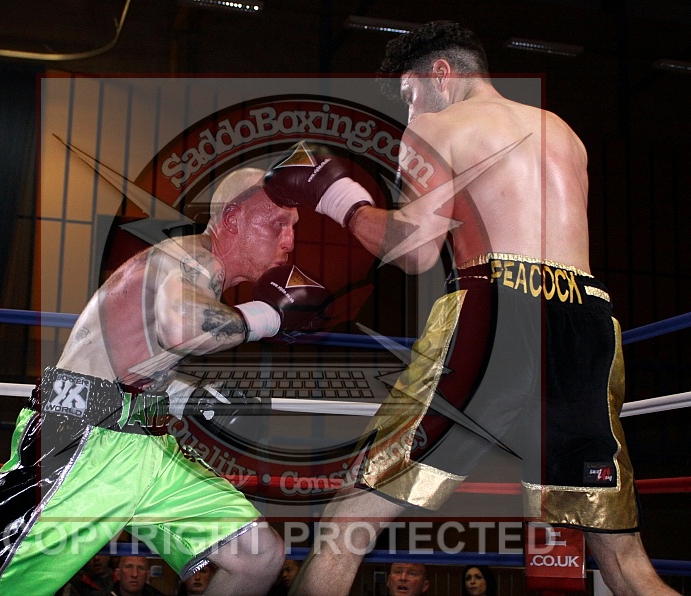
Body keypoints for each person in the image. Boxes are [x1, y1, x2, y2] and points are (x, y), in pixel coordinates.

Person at [260, 20, 677, 596]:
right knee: (625, 560)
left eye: (409, 95)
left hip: (495, 308)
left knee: (347, 522)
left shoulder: (437, 124)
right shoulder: (563, 132)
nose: (409, 111)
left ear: (440, 74)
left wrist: (337, 198)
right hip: (587, 319)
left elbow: (414, 249)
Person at [0, 167, 331, 596]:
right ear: (233, 219)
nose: (289, 241)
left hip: (148, 444)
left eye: (294, 226)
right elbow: (181, 327)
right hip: (80, 439)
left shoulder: (194, 273)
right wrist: (269, 316)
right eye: (277, 224)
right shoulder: (187, 257)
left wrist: (189, 395)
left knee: (257, 557)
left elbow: (133, 360)